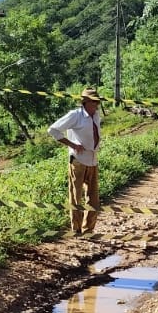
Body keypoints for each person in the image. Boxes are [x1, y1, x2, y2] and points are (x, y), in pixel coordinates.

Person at [48, 88, 104, 234]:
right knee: (76, 197)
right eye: (93, 101)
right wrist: (72, 145)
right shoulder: (75, 115)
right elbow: (53, 130)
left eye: (97, 101)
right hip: (78, 160)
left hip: (92, 160)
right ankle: (76, 229)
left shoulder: (96, 115)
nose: (96, 104)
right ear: (85, 102)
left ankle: (88, 230)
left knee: (93, 199)